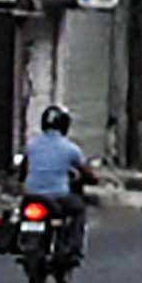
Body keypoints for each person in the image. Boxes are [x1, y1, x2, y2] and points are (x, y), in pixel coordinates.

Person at [17, 103, 95, 252]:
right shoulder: (70, 149)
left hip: (31, 196)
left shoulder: (32, 145)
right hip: (58, 197)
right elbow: (87, 173)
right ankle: (74, 246)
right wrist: (92, 179)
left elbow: (22, 172)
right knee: (79, 210)